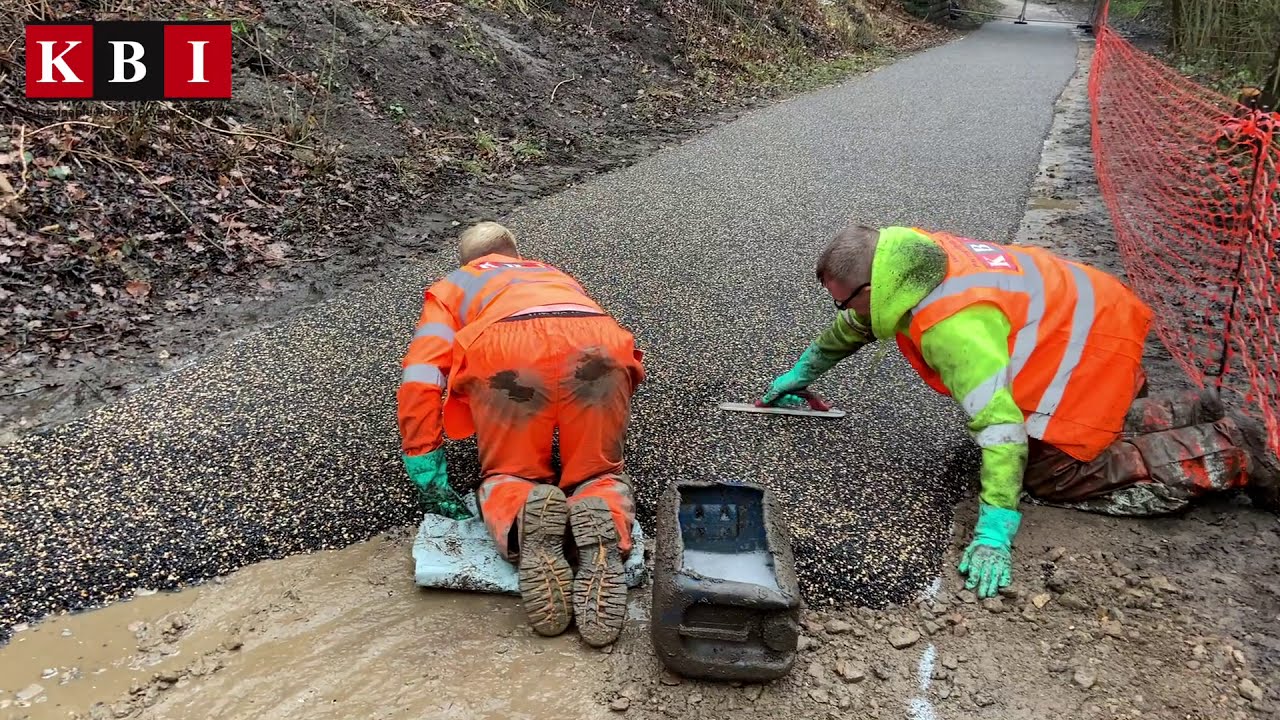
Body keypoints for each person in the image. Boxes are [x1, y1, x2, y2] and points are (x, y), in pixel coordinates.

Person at [764, 224, 1280, 598]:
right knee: (1076, 426)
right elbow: (858, 324)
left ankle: (1229, 450)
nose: (843, 312)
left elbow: (1001, 429)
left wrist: (995, 531)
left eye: (843, 301)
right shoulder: (913, 258)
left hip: (1086, 350)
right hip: (1090, 318)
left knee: (1053, 474)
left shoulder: (953, 326)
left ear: (875, 288)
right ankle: (1195, 409)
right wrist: (802, 373)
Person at [397, 221, 645, 646]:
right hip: (599, 343)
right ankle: (604, 527)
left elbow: (421, 374)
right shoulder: (552, 274)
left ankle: (524, 523)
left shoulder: (454, 286)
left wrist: (423, 453)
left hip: (505, 352)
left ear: (468, 261)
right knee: (598, 471)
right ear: (514, 251)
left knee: (511, 474)